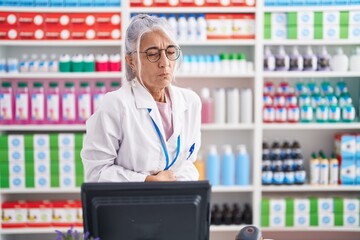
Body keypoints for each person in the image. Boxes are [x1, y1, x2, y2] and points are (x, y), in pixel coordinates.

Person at [81, 14, 201, 182]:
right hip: (128, 205)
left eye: (171, 52)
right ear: (131, 60)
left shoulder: (190, 102)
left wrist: (175, 184)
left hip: (175, 203)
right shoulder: (116, 104)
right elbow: (96, 173)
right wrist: (146, 181)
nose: (165, 62)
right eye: (153, 54)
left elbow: (188, 163)